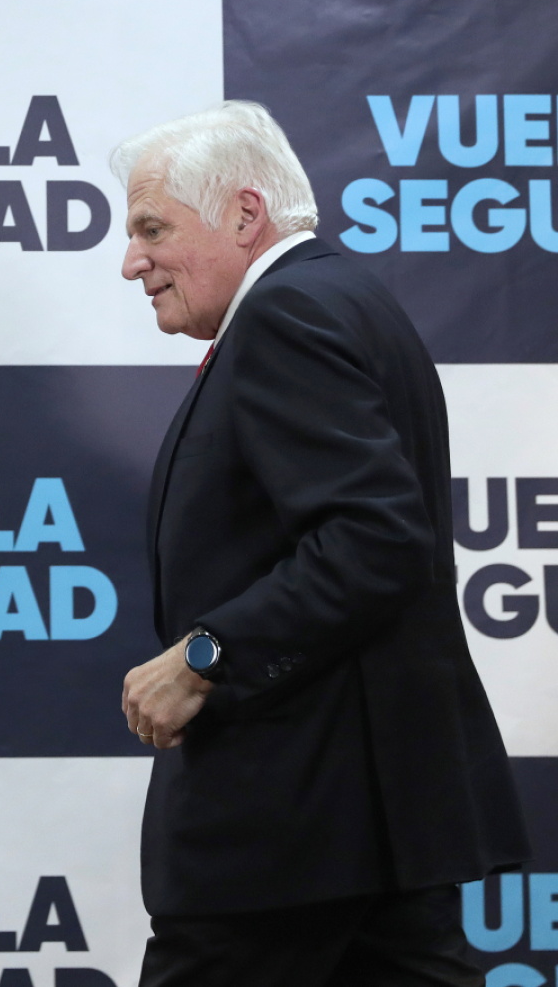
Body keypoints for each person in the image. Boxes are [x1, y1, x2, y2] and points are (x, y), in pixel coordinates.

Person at [112, 101, 530, 986]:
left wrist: (204, 655)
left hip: (290, 821)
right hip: (365, 816)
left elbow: (374, 537)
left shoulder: (285, 315)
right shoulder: (344, 298)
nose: (131, 262)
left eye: (152, 228)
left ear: (245, 214)